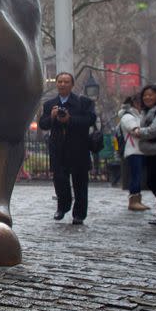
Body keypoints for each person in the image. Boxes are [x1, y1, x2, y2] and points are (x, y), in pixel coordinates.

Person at [38, 72, 96, 225]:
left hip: (79, 148)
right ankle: (62, 207)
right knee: (60, 180)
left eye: (66, 82)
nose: (62, 84)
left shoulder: (84, 103)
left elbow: (90, 120)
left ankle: (79, 214)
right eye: (60, 81)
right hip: (58, 148)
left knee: (80, 183)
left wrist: (70, 119)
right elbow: (42, 124)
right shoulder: (49, 104)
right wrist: (52, 117)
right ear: (56, 84)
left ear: (72, 84)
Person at [132, 84, 156, 226]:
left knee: (155, 182)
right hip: (152, 152)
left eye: (151, 94)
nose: (147, 97)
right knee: (154, 182)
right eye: (145, 95)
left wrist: (139, 132)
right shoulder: (148, 111)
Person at [118, 95, 149, 210]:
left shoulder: (138, 115)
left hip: (140, 150)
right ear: (134, 103)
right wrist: (150, 131)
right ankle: (133, 200)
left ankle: (138, 199)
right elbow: (135, 130)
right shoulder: (128, 116)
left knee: (139, 175)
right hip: (133, 150)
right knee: (136, 175)